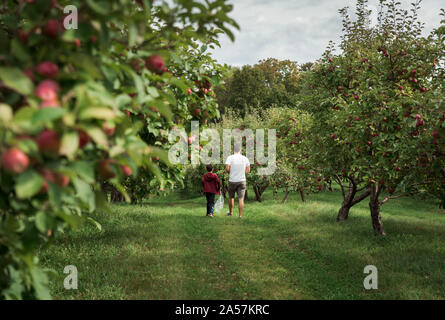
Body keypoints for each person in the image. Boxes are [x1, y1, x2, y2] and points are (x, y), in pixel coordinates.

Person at [225, 145, 250, 218]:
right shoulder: (245, 158)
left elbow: (227, 168)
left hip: (232, 180)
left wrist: (232, 172)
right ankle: (240, 215)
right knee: (241, 198)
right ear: (240, 150)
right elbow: (248, 170)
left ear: (234, 150)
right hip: (242, 180)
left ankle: (230, 212)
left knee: (231, 197)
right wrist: (241, 172)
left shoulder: (230, 158)